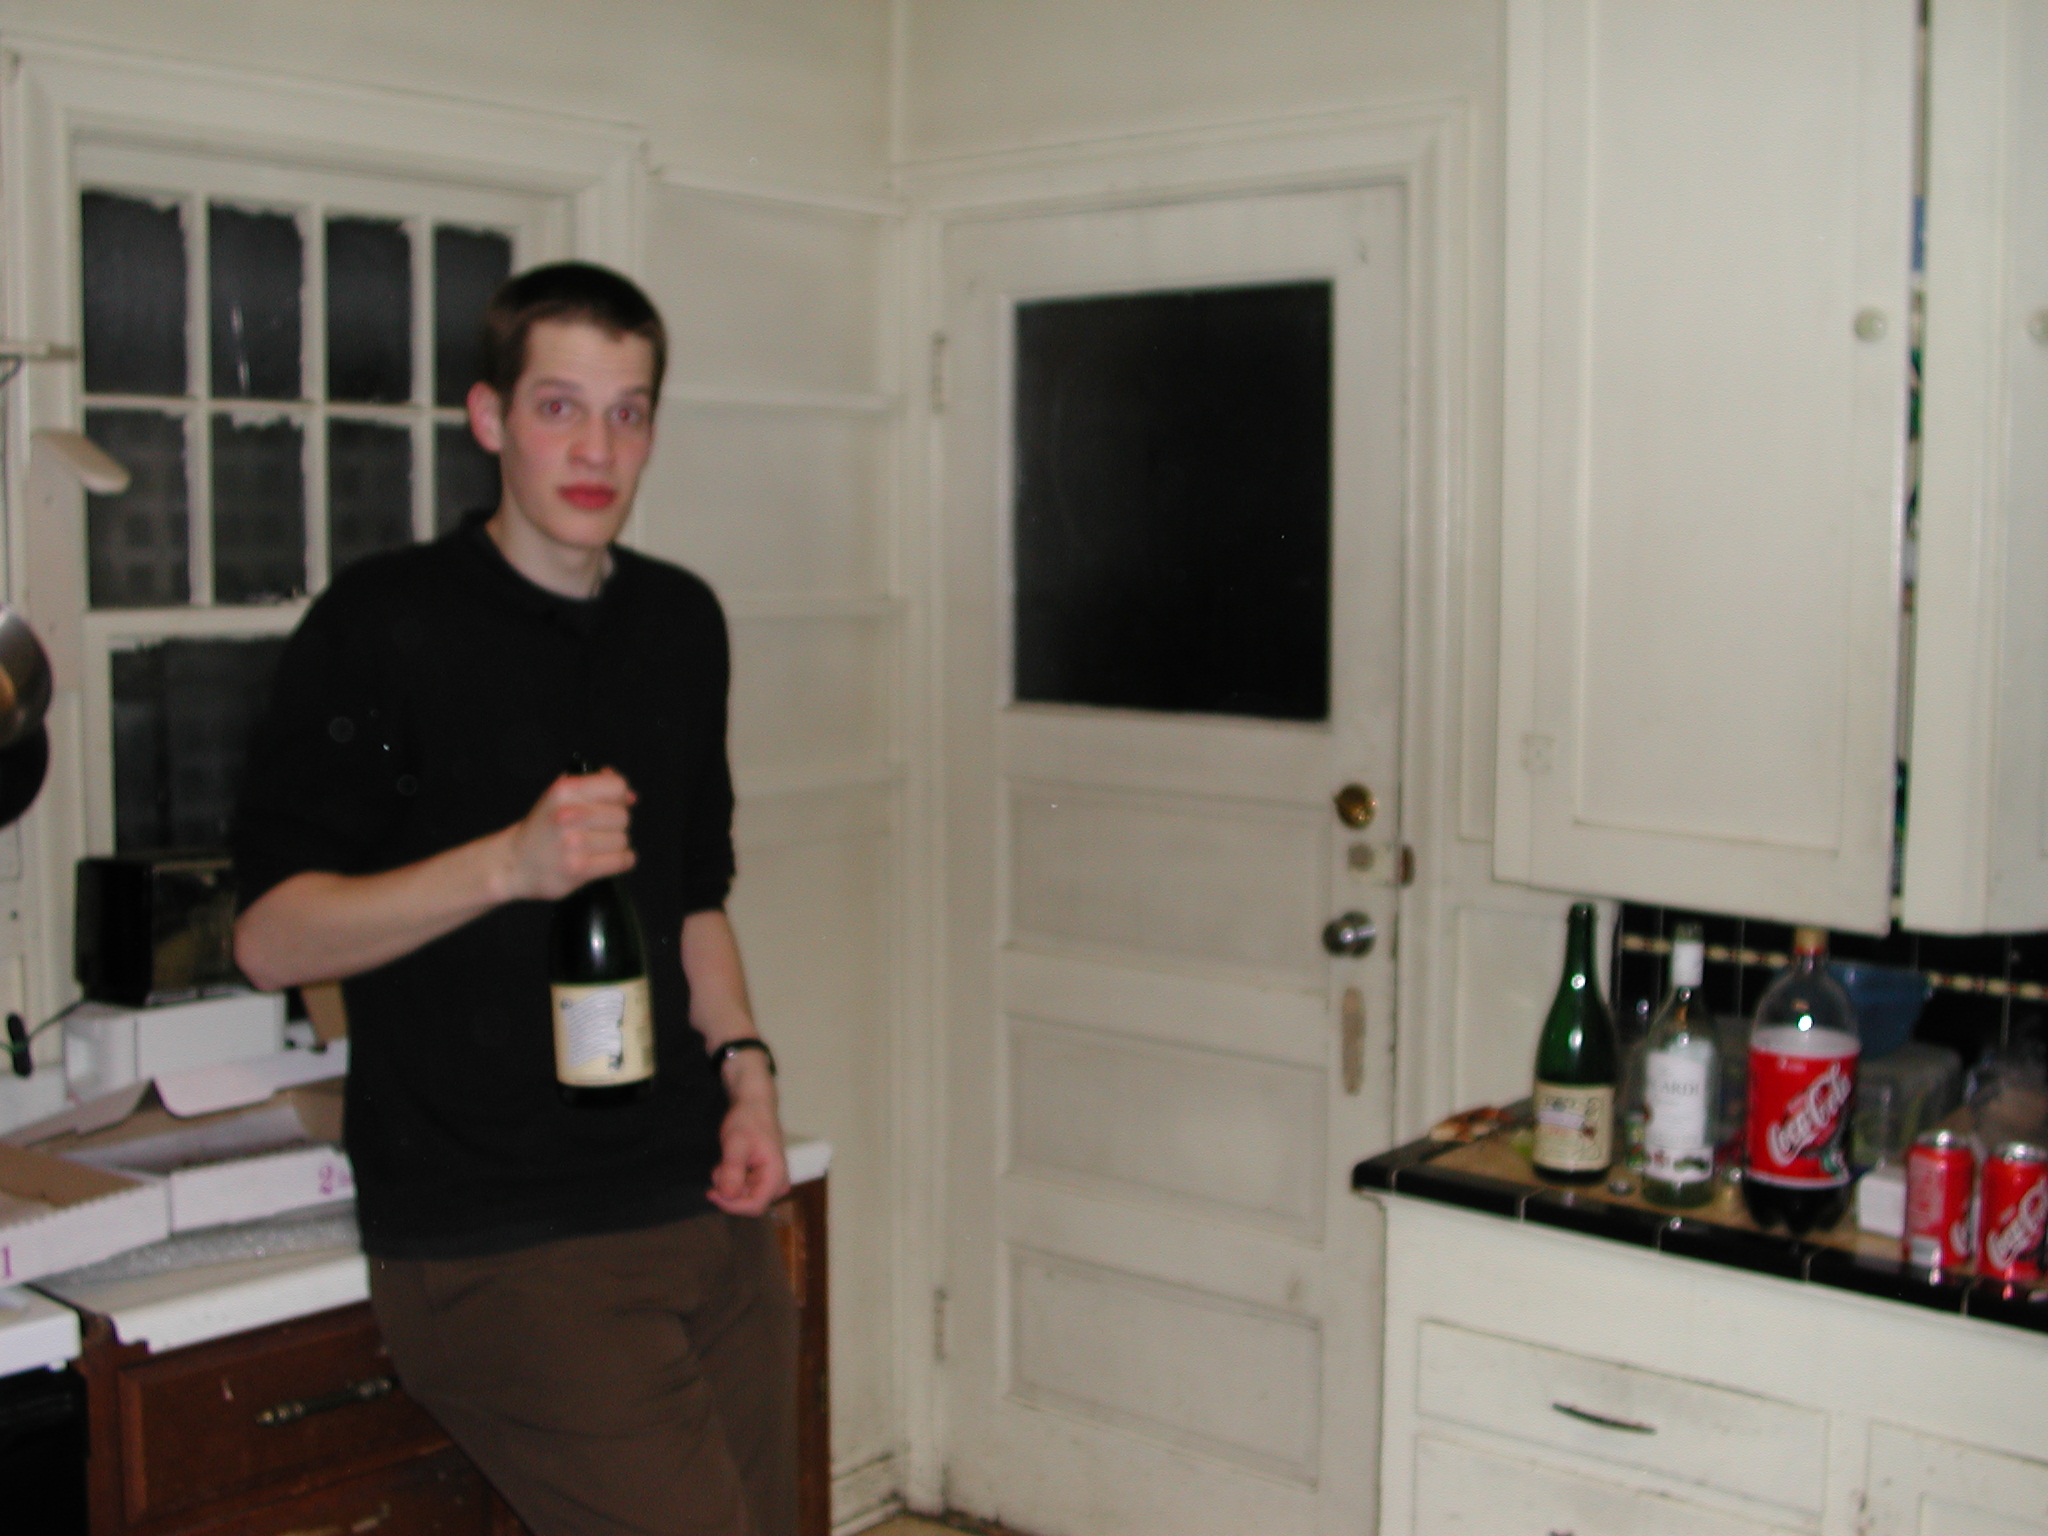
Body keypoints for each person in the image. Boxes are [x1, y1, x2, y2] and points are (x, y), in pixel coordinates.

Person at [231, 262, 795, 1536]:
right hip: (497, 1241)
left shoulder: (678, 622)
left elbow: (693, 896)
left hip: (694, 1199)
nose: (597, 450)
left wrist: (748, 1074)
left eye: (627, 412)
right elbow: (270, 940)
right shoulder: (383, 625)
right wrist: (508, 865)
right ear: (488, 418)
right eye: (558, 408)